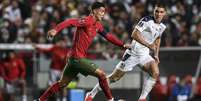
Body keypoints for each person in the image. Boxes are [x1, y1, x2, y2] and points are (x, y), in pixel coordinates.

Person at [37, 2, 130, 101]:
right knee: (101, 74)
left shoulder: (97, 25)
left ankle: (40, 100)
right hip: (77, 58)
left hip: (74, 59)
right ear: (94, 11)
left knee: (62, 83)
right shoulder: (87, 21)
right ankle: (110, 99)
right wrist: (55, 30)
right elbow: (70, 21)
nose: (103, 13)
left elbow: (108, 36)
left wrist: (122, 45)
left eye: (104, 12)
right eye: (101, 11)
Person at [85, 3, 167, 101]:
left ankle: (142, 99)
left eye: (161, 12)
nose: (158, 14)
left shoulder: (162, 26)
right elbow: (134, 34)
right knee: (114, 78)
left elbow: (158, 38)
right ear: (154, 11)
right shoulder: (146, 20)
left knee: (155, 72)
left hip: (144, 55)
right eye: (156, 11)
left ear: (164, 13)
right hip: (133, 53)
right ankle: (91, 94)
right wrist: (148, 45)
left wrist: (156, 55)